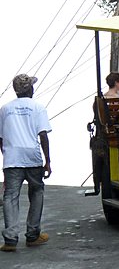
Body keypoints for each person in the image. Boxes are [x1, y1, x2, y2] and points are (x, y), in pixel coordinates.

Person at [0, 75, 52, 252]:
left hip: (12, 158)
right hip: (32, 157)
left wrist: (6, 155)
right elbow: (43, 135)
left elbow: (0, 138)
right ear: (30, 89)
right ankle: (33, 235)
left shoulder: (5, 109)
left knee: (10, 197)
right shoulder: (38, 107)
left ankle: (10, 239)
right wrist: (48, 161)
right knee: (36, 192)